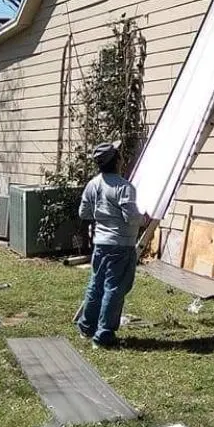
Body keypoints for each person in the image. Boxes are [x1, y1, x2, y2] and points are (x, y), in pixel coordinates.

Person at [74, 140, 147, 348]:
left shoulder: (93, 184)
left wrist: (103, 215)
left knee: (96, 285)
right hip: (121, 246)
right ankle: (104, 336)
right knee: (114, 288)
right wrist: (145, 219)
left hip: (101, 244)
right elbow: (131, 217)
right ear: (116, 161)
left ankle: (86, 328)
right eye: (119, 155)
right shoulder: (124, 188)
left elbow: (83, 213)